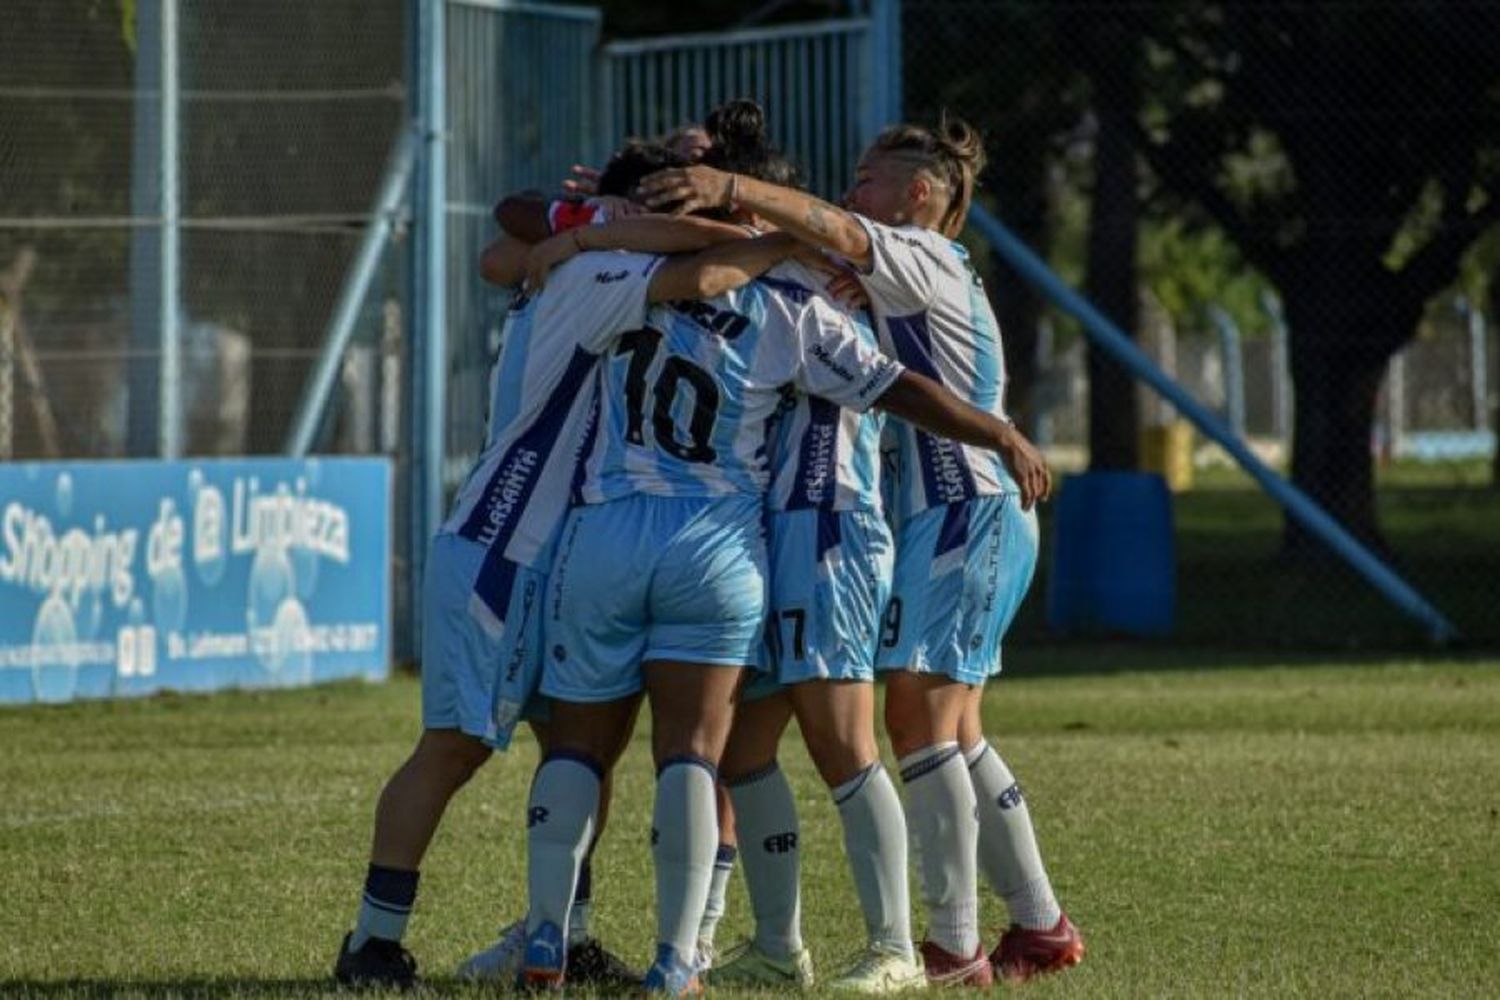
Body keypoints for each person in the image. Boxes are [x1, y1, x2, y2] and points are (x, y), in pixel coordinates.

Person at [639, 114, 1083, 987]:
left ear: (918, 194)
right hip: (938, 511)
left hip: (966, 504)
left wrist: (732, 188)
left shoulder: (917, 252)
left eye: (867, 178)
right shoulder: (877, 270)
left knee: (917, 722)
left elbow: (829, 233)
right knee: (943, 727)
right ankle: (1038, 924)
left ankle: (947, 951)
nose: (850, 195)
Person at [331, 143, 759, 992]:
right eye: (666, 205)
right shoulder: (598, 272)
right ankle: (372, 944)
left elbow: (510, 244)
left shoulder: (586, 256)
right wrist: (785, 234)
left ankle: (562, 932)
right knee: (453, 746)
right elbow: (698, 274)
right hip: (501, 544)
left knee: (575, 753)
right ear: (626, 215)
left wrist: (557, 234)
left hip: (557, 549)